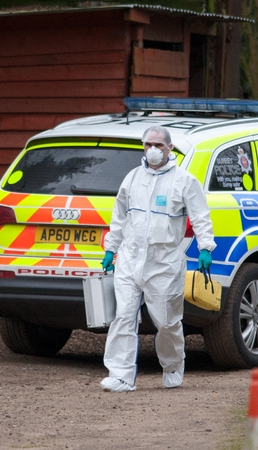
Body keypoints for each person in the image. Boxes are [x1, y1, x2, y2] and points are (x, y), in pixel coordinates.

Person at [99, 125, 216, 392]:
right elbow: (119, 217)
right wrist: (111, 248)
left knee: (166, 322)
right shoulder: (132, 178)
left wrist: (206, 247)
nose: (152, 150)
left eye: (158, 145)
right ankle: (120, 375)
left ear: (169, 148)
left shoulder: (185, 181)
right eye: (148, 145)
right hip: (130, 259)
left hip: (165, 263)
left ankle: (173, 364)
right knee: (124, 317)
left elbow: (200, 217)